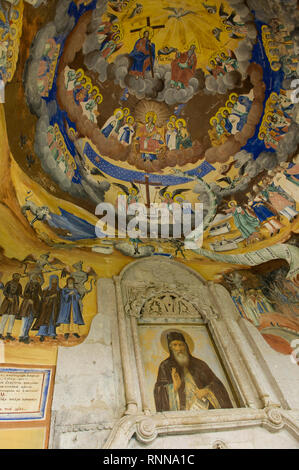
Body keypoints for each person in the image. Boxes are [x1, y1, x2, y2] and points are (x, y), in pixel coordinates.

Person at [154, 331, 233, 412]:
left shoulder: (200, 364)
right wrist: (173, 387)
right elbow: (159, 391)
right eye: (175, 345)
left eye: (181, 345)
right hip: (182, 411)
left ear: (186, 346)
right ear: (170, 348)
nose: (179, 348)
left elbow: (217, 384)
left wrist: (206, 390)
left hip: (205, 408)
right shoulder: (165, 366)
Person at [33, 275, 61, 342]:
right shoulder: (46, 289)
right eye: (53, 280)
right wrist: (51, 297)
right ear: (50, 281)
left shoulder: (59, 290)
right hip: (46, 308)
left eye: (55, 280)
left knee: (52, 320)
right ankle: (42, 334)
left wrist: (57, 299)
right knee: (44, 320)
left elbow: (61, 300)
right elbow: (43, 299)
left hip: (54, 308)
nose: (54, 281)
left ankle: (52, 333)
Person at [18, 275, 42, 344]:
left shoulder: (38, 285)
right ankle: (21, 336)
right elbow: (25, 293)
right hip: (27, 304)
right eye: (34, 277)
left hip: (35, 304)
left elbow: (41, 293)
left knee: (30, 321)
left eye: (37, 278)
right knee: (25, 321)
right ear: (31, 278)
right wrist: (29, 299)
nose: (36, 279)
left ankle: (26, 335)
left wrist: (45, 298)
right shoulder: (28, 284)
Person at [0, 273, 22, 341]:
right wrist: (9, 297)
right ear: (13, 277)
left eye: (18, 277)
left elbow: (20, 293)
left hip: (15, 302)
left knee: (12, 319)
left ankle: (8, 334)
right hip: (7, 302)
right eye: (16, 277)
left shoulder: (19, 285)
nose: (17, 278)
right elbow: (4, 291)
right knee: (4, 318)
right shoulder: (8, 283)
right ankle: (0, 333)